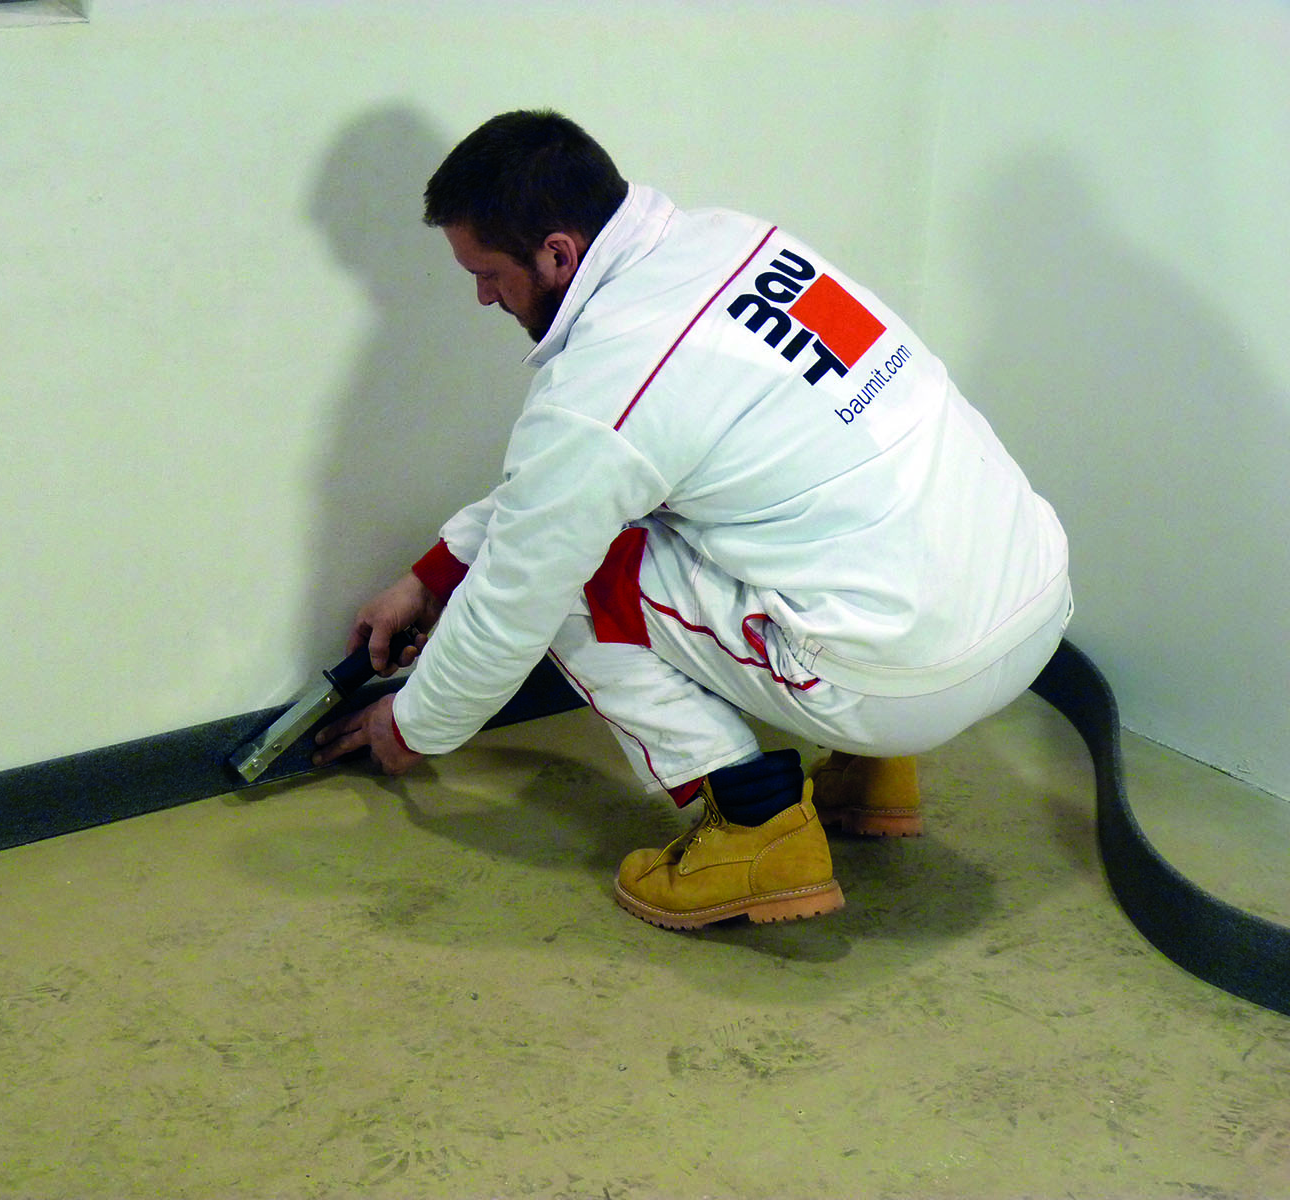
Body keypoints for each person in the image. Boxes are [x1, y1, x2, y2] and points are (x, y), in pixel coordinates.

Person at [313, 109, 1071, 931]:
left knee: (573, 582)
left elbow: (516, 596)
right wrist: (432, 574)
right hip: (1027, 600)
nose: (482, 295)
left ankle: (758, 831)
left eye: (488, 272)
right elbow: (584, 474)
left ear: (557, 253)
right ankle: (875, 770)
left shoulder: (608, 379)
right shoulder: (736, 244)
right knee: (765, 499)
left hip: (903, 672)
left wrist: (413, 723)